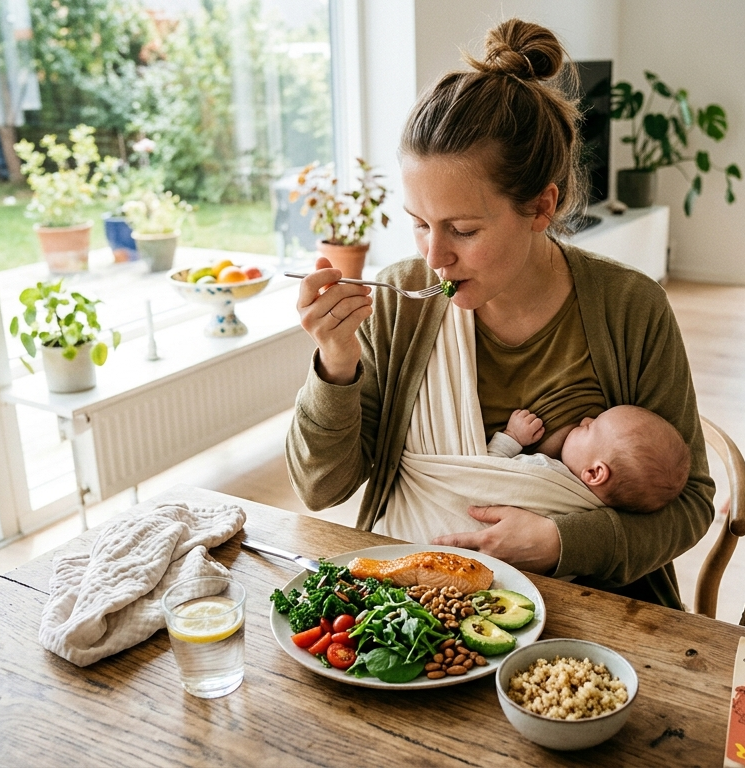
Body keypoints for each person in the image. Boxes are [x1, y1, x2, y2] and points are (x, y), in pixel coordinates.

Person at [286, 18, 715, 608]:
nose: (435, 257)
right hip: (409, 606)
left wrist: (561, 541)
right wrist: (336, 364)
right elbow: (319, 487)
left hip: (585, 612)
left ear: (541, 207)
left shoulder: (629, 307)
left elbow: (689, 505)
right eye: (418, 224)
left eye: (462, 229)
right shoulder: (398, 304)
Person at [488, 405, 692, 515]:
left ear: (594, 473)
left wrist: (512, 436)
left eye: (589, 428)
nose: (585, 419)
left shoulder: (543, 471)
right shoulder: (591, 515)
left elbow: (487, 472)